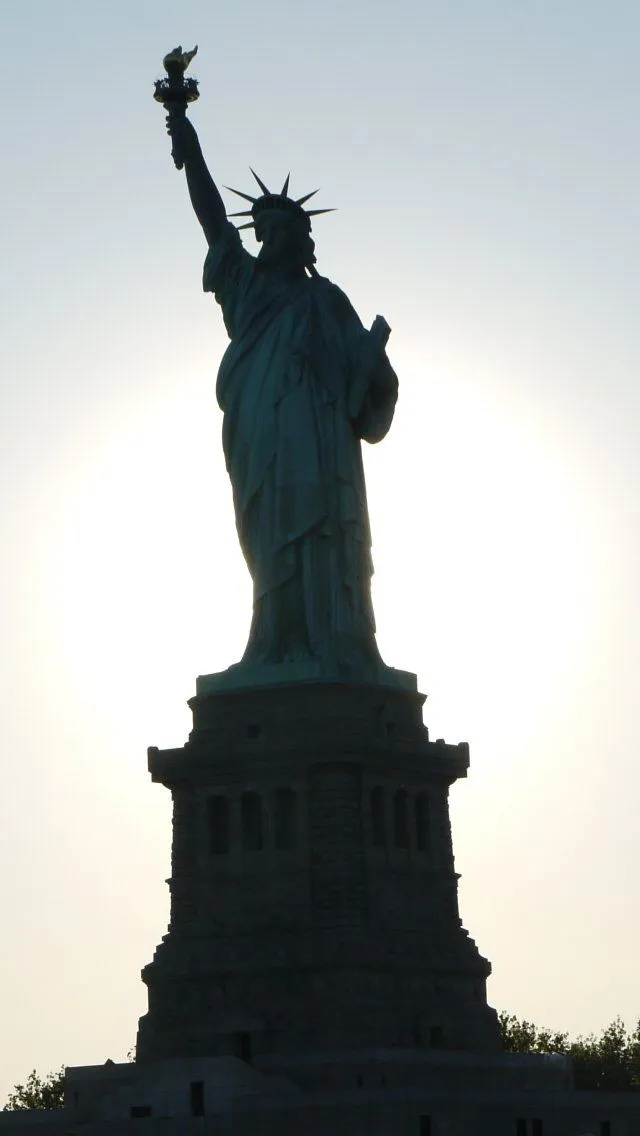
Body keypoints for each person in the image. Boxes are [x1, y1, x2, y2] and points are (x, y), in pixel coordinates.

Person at [167, 111, 399, 682]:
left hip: (320, 439)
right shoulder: (244, 285)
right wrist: (184, 132)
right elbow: (210, 215)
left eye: (280, 232)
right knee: (268, 535)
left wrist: (372, 367)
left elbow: (370, 381)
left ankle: (331, 641)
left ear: (303, 241)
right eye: (261, 232)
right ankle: (273, 640)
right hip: (260, 429)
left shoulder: (327, 300)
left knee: (323, 534)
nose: (267, 239)